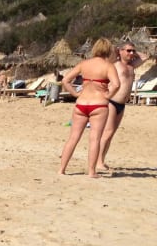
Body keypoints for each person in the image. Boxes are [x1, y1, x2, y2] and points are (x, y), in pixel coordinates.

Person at [59, 38, 119, 178]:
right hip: (98, 104)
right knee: (95, 139)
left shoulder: (84, 64)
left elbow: (65, 80)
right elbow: (116, 85)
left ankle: (62, 169)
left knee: (73, 138)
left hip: (81, 103)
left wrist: (74, 93)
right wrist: (108, 95)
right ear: (109, 50)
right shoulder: (108, 66)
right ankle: (91, 171)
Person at [98, 41, 146, 172]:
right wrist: (118, 50)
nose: (131, 53)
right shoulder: (115, 65)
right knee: (107, 132)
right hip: (112, 102)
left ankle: (102, 159)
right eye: (128, 51)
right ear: (120, 51)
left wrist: (133, 51)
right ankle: (98, 161)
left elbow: (146, 56)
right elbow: (111, 52)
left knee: (111, 134)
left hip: (122, 104)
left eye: (133, 51)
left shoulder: (132, 66)